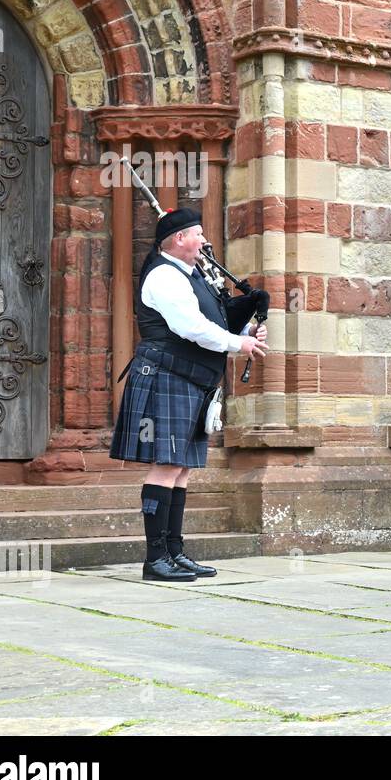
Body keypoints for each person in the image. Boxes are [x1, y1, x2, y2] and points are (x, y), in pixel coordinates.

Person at [110, 208, 268, 581]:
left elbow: (213, 319)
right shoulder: (164, 276)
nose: (203, 241)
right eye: (198, 234)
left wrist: (245, 325)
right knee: (166, 465)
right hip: (167, 375)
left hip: (190, 378)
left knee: (180, 468)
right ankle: (154, 560)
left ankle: (175, 552)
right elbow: (191, 327)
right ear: (179, 238)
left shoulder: (192, 275)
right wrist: (238, 344)